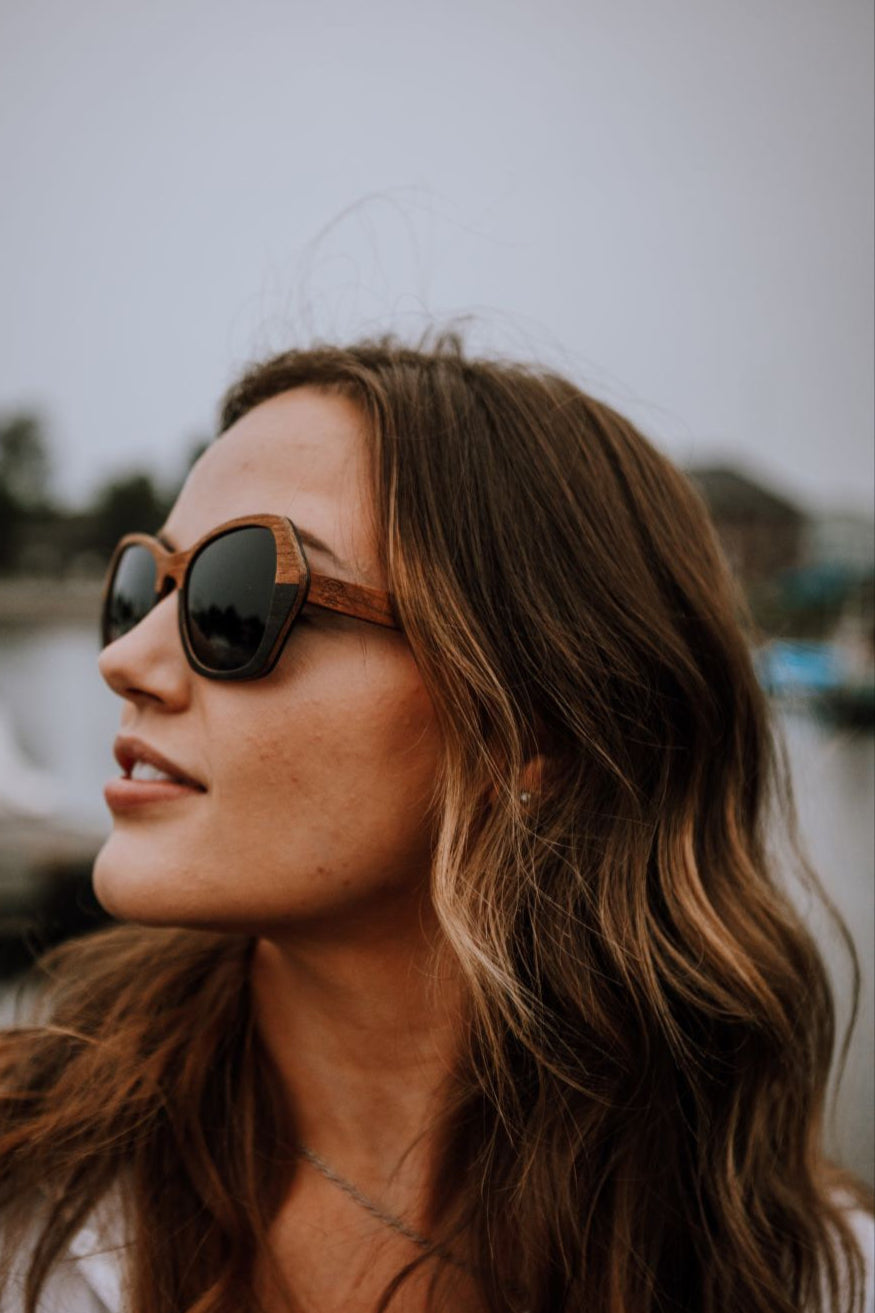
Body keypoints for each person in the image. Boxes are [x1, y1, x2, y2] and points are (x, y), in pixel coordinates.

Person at [0, 336, 872, 1313]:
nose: (126, 656)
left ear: (528, 726)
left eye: (236, 596)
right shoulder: (27, 1191)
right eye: (141, 587)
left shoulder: (806, 1277)